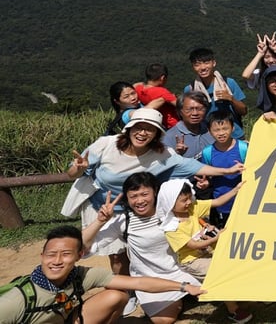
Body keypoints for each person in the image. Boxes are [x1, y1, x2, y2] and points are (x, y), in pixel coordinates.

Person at [62, 108, 244, 278]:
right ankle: (127, 291)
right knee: (116, 255)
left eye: (149, 130)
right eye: (138, 127)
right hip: (100, 205)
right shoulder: (107, 144)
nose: (142, 133)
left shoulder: (161, 153)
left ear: (157, 134)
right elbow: (72, 173)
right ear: (129, 128)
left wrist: (227, 171)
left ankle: (156, 283)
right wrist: (78, 168)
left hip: (137, 207)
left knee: (147, 247)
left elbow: (192, 166)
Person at [0, 223, 205, 324]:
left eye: (65, 254)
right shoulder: (16, 300)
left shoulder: (79, 275)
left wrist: (184, 286)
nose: (56, 261)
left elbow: (139, 283)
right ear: (41, 255)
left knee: (117, 295)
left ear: (79, 255)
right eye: (51, 255)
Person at [86, 173, 208, 324]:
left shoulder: (172, 209)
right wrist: (99, 221)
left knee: (220, 288)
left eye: (144, 194)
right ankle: (179, 297)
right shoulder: (125, 221)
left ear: (155, 192)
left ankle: (187, 292)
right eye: (133, 196)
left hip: (186, 268)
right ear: (127, 198)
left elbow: (200, 212)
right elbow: (84, 248)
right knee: (163, 320)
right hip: (152, 278)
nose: (140, 201)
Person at [157, 179, 250, 323]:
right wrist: (215, 238)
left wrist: (235, 190)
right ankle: (234, 310)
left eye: (189, 198)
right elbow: (193, 245)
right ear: (170, 203)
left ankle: (242, 295)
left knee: (234, 261)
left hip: (207, 250)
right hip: (192, 260)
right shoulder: (171, 228)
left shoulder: (192, 208)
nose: (188, 202)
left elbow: (217, 202)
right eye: (183, 200)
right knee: (219, 273)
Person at [196, 110, 247, 228]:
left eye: (225, 128)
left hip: (243, 202)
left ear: (233, 128)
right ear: (209, 132)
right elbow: (209, 176)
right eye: (216, 130)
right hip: (221, 203)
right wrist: (206, 183)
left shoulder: (243, 148)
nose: (221, 133)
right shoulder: (207, 152)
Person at [183, 48, 246, 140]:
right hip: (206, 138)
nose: (203, 68)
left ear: (214, 63)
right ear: (193, 67)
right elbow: (187, 116)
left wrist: (231, 99)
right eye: (197, 65)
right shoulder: (190, 90)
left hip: (234, 136)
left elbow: (243, 111)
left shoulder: (228, 83)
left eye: (206, 63)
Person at [166, 92, 215, 160]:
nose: (195, 113)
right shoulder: (169, 137)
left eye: (200, 109)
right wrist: (177, 154)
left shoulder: (212, 129)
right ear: (180, 111)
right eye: (189, 109)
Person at [134, 64, 179, 129]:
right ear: (162, 78)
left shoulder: (138, 88)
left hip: (157, 122)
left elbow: (137, 85)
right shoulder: (162, 92)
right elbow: (181, 105)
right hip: (172, 124)